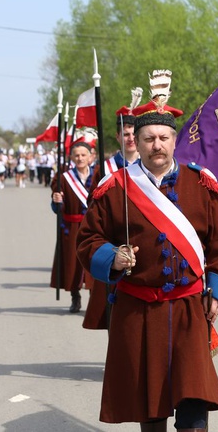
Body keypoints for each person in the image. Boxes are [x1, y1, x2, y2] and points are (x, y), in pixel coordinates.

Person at [77, 69, 218, 431]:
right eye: (148, 138)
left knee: (195, 409)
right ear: (137, 140)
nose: (156, 145)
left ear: (175, 140)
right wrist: (112, 258)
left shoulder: (202, 185)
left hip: (189, 310)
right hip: (138, 311)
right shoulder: (114, 188)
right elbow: (88, 240)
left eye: (163, 137)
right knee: (151, 411)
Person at [82, 88, 143, 331]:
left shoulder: (147, 167)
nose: (130, 138)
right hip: (114, 241)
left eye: (133, 134)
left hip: (139, 240)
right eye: (125, 133)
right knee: (112, 306)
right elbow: (92, 204)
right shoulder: (105, 168)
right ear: (118, 137)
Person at [51, 140, 95, 313]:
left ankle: (94, 299)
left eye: (83, 155)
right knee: (72, 263)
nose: (80, 158)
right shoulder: (64, 178)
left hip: (93, 226)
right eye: (76, 155)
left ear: (91, 156)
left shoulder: (99, 174)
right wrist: (57, 202)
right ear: (71, 157)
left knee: (93, 262)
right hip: (71, 226)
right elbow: (57, 208)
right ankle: (75, 297)